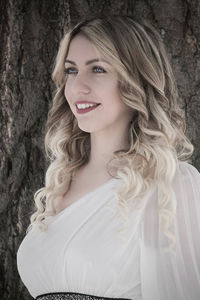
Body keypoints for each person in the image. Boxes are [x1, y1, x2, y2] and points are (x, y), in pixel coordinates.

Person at [16, 16, 200, 300]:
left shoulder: (169, 185)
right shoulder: (58, 185)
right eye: (71, 71)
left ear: (136, 80)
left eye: (98, 69)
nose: (78, 87)